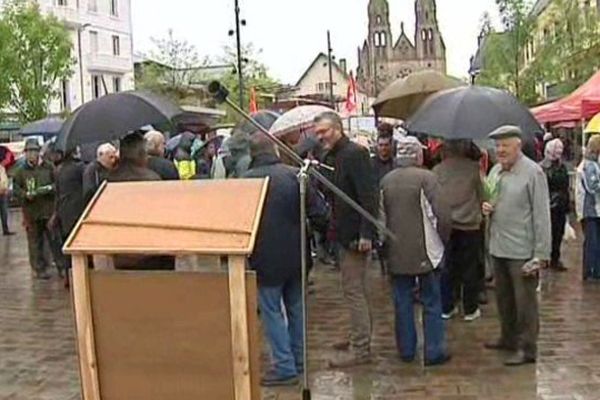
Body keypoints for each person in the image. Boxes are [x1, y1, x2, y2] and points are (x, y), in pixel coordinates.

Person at [243, 134, 328, 386]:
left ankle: (284, 365)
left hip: (264, 256)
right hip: (297, 254)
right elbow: (320, 213)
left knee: (272, 312)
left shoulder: (245, 181)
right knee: (296, 308)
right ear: (275, 151)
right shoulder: (295, 176)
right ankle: (298, 360)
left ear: (252, 154)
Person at [482, 126, 551, 366]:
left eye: (504, 145)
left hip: (522, 250)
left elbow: (542, 215)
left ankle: (528, 348)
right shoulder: (494, 171)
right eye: (497, 146)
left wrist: (541, 254)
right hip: (498, 246)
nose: (499, 150)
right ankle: (508, 337)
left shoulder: (534, 173)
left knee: (525, 303)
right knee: (504, 299)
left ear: (517, 146)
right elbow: (489, 197)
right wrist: (486, 207)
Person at [380, 135, 452, 366]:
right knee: (431, 301)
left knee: (402, 302)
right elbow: (442, 214)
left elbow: (380, 218)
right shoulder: (427, 178)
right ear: (418, 155)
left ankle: (406, 350)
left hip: (396, 251)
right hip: (426, 250)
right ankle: (434, 351)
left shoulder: (386, 180)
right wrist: (443, 241)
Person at [314, 111, 378, 368]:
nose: (321, 137)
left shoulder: (356, 154)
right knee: (350, 289)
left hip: (355, 235)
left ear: (338, 129)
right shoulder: (331, 156)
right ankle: (356, 336)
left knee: (354, 291)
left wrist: (367, 233)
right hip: (340, 232)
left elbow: (368, 196)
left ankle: (361, 349)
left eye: (324, 132)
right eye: (317, 133)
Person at [433, 140, 484, 321]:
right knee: (469, 267)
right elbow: (481, 194)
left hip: (446, 225)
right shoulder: (473, 168)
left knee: (447, 267)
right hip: (470, 224)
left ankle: (447, 306)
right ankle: (470, 308)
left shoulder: (438, 171)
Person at [13, 139, 64, 280]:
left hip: (48, 211)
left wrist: (48, 189)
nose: (31, 154)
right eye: (28, 151)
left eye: (34, 151)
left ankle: (61, 267)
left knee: (55, 241)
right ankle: (39, 269)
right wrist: (24, 195)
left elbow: (57, 185)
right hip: (31, 212)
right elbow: (16, 190)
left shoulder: (49, 167)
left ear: (38, 152)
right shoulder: (20, 171)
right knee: (35, 243)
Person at [540, 138, 570, 271]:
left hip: (561, 205)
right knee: (548, 233)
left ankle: (555, 258)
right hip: (548, 204)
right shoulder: (542, 168)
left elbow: (566, 186)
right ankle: (546, 257)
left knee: (558, 233)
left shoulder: (562, 167)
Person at [575, 135, 600, 281]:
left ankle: (594, 269)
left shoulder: (593, 164)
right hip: (590, 210)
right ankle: (591, 271)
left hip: (595, 210)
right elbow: (593, 187)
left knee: (594, 241)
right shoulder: (588, 165)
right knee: (592, 242)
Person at [0, 162, 13, 236]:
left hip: (3, 193)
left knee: (4, 212)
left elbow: (5, 179)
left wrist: (6, 188)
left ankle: (6, 229)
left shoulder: (2, 168)